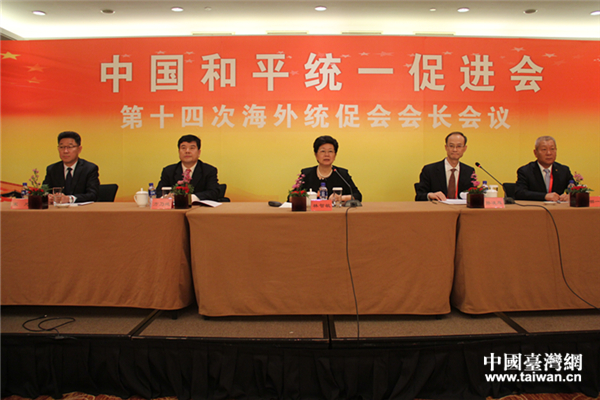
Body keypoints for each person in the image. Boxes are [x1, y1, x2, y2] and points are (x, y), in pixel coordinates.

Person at [299, 135, 362, 204]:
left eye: (330, 151)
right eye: (323, 151)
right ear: (316, 155)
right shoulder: (306, 174)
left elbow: (358, 196)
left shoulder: (342, 174)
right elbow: (292, 196)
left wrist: (341, 198)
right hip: (312, 210)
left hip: (336, 211)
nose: (327, 155)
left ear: (335, 155)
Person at [157, 134, 220, 201]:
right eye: (183, 148)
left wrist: (190, 198)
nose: (187, 151)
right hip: (176, 207)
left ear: (199, 152)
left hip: (199, 207)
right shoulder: (169, 171)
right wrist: (166, 197)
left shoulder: (209, 170)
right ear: (179, 151)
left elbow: (214, 192)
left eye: (192, 148)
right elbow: (159, 192)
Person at [415, 131, 475, 201]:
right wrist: (430, 195)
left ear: (464, 148)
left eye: (459, 146)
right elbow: (419, 196)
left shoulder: (469, 171)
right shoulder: (429, 170)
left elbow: (472, 195)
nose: (455, 149)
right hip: (438, 207)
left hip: (461, 208)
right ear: (446, 147)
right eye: (451, 146)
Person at [43, 131, 100, 203]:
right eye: (62, 147)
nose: (65, 151)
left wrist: (70, 199)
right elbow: (44, 191)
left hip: (81, 209)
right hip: (58, 209)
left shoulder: (89, 169)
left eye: (70, 147)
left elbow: (93, 195)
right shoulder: (52, 169)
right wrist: (47, 196)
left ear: (79, 149)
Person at [515, 136, 573, 201]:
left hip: (558, 207)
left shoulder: (564, 170)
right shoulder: (525, 171)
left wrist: (570, 196)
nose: (549, 153)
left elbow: (575, 189)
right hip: (535, 207)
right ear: (535, 153)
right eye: (544, 149)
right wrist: (544, 196)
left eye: (552, 149)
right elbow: (520, 193)